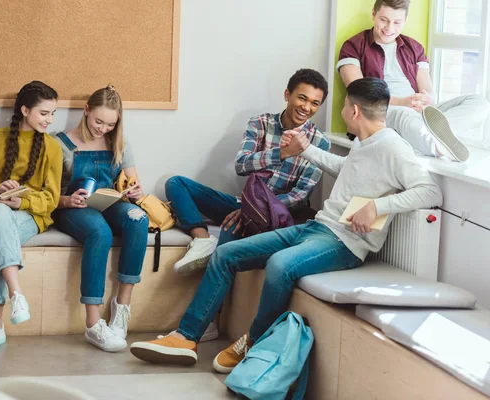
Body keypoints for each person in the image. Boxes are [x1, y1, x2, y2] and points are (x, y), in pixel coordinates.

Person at [129, 78, 442, 374]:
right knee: (226, 255)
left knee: (280, 265)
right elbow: (346, 168)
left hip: (344, 244)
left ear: (354, 110)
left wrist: (378, 206)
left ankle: (252, 342)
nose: (342, 111)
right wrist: (307, 149)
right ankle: (185, 337)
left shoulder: (393, 147)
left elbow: (430, 191)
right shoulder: (366, 142)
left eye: (344, 105)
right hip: (317, 228)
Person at [166, 69, 331, 278]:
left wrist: (255, 209)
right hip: (244, 204)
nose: (306, 107)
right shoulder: (260, 123)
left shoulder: (320, 142)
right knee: (176, 184)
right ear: (287, 95)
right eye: (302, 98)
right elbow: (241, 165)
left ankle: (221, 307)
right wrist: (282, 153)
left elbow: (300, 195)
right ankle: (202, 239)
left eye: (315, 103)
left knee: (230, 230)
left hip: (278, 216)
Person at [0, 81, 63, 351]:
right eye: (44, 113)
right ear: (25, 110)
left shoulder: (52, 148)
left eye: (53, 114)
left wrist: (21, 201)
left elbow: (51, 199)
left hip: (27, 214)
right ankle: (16, 292)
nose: (50, 120)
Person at [52, 85, 148, 352]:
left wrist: (134, 192)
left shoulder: (119, 143)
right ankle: (94, 324)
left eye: (110, 124)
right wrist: (68, 200)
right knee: (100, 232)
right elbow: (46, 192)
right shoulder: (59, 143)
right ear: (86, 111)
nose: (103, 129)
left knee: (138, 218)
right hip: (72, 208)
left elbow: (133, 184)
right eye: (98, 121)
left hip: (109, 202)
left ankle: (122, 307)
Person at [337, 0, 490, 162]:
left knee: (478, 102)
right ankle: (437, 147)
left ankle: (433, 136)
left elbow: (429, 91)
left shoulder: (414, 47)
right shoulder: (353, 46)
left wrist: (426, 99)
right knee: (404, 116)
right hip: (380, 110)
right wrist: (403, 102)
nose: (389, 28)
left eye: (397, 22)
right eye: (384, 20)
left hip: (416, 111)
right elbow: (359, 93)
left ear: (405, 20)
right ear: (373, 14)